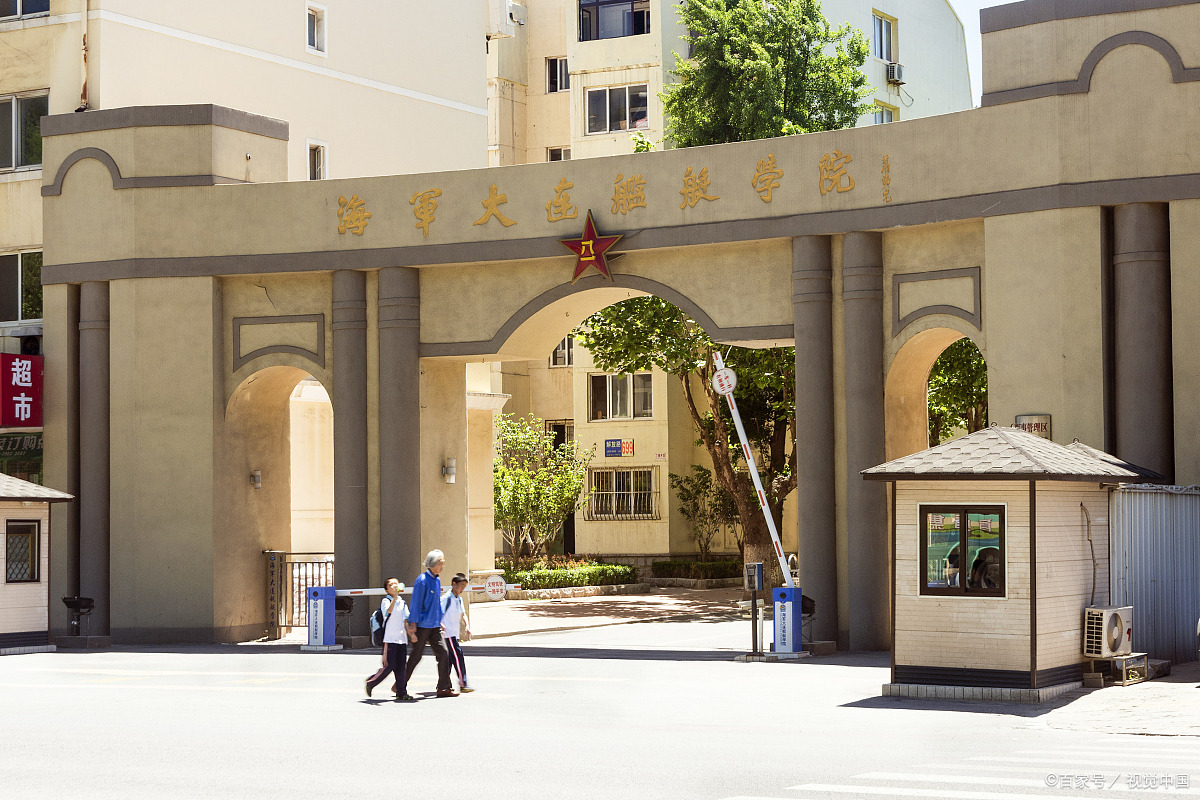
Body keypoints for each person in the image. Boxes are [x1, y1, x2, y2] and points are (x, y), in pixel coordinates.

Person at [405, 549, 456, 697]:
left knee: (444, 654)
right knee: (416, 656)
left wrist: (440, 620)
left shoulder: (437, 579)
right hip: (422, 625)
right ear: (433, 563)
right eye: (441, 563)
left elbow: (437, 603)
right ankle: (401, 684)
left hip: (434, 625)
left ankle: (443, 687)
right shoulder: (421, 581)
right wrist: (413, 624)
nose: (442, 566)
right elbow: (415, 603)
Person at [365, 577, 414, 701]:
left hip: (401, 639)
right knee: (389, 665)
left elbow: (405, 618)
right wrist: (395, 598)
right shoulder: (386, 601)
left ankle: (401, 692)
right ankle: (371, 682)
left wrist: (411, 633)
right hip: (390, 638)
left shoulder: (402, 602)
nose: (394, 586)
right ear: (387, 589)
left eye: (396, 584)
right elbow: (388, 612)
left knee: (401, 667)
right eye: (391, 585)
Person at [441, 573, 473, 693]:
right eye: (461, 586)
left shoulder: (458, 599)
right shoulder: (446, 598)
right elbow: (438, 612)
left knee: (448, 660)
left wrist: (467, 626)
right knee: (458, 656)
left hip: (454, 633)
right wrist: (441, 624)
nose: (462, 589)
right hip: (448, 634)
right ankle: (463, 683)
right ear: (454, 584)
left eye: (464, 587)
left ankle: (443, 685)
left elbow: (463, 613)